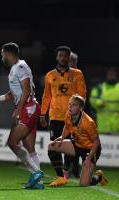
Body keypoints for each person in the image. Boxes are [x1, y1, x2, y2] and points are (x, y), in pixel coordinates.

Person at [0, 42, 44, 189]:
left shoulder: (20, 67)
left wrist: (19, 109)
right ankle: (38, 183)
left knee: (12, 142)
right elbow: (15, 92)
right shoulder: (16, 68)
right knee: (30, 148)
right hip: (29, 108)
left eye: (2, 53)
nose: (2, 56)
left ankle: (36, 173)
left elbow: (26, 90)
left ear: (8, 53)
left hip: (27, 109)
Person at [40, 46, 86, 180]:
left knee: (71, 146)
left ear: (69, 58)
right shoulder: (49, 75)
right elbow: (46, 96)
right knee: (54, 146)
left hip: (71, 117)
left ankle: (65, 171)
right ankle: (60, 175)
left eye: (66, 56)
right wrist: (43, 114)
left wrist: (78, 113)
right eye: (61, 55)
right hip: (54, 116)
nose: (63, 58)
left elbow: (82, 95)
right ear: (57, 57)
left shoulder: (77, 74)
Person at [47, 94, 107, 187]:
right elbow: (67, 126)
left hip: (90, 150)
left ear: (80, 108)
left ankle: (98, 177)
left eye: (74, 105)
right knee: (52, 146)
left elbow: (96, 142)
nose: (70, 107)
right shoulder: (68, 114)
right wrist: (62, 137)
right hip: (77, 144)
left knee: (84, 184)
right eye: (70, 104)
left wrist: (89, 158)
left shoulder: (88, 122)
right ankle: (61, 177)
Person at [90, 67, 119, 135]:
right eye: (110, 74)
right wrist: (98, 103)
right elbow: (92, 99)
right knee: (103, 144)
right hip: (103, 124)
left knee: (118, 144)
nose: (111, 76)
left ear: (116, 75)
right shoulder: (99, 88)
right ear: (107, 75)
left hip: (117, 124)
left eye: (113, 74)